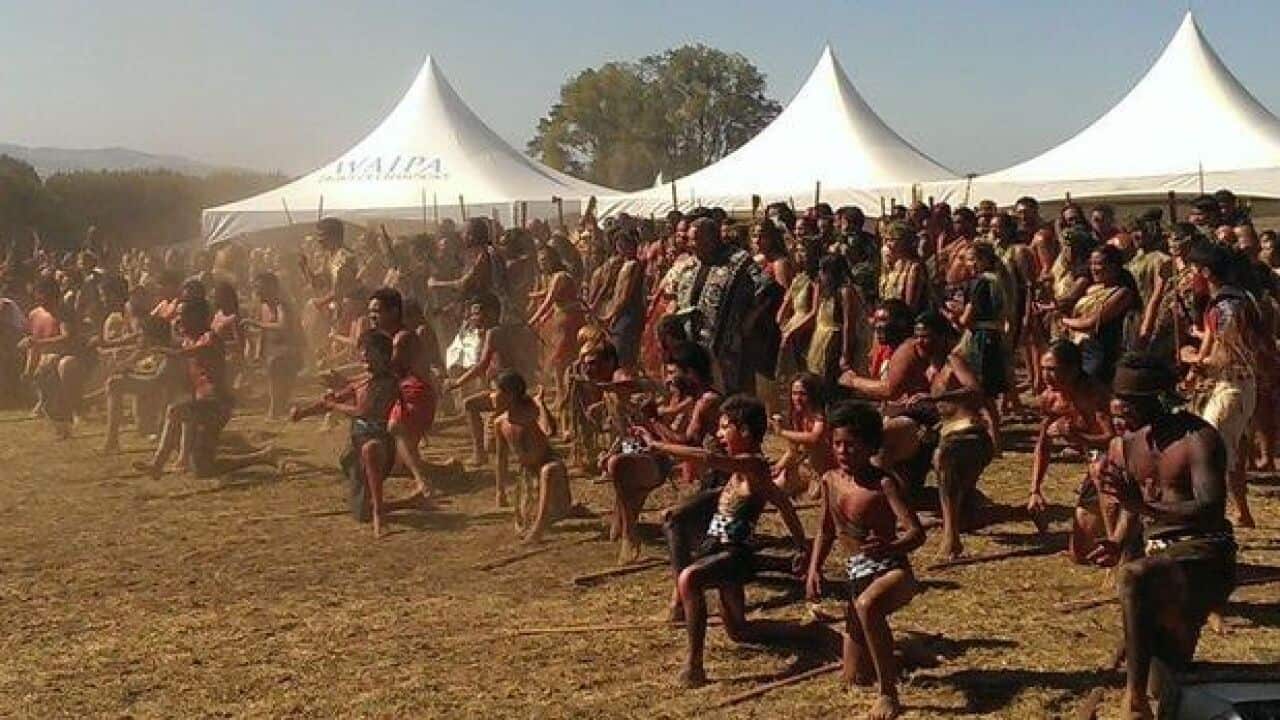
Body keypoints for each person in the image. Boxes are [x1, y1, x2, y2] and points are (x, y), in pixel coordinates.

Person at [1089, 354, 1236, 720]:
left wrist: (1144, 507)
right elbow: (1133, 503)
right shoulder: (1128, 443)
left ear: (1159, 399)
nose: (1121, 408)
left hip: (1204, 554)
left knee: (1133, 576)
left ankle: (1134, 701)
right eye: (1119, 398)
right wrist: (1118, 540)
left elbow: (1210, 510)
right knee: (1167, 681)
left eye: (1132, 402)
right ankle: (1156, 678)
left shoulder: (1198, 439)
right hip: (1160, 555)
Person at [633, 395, 809, 689]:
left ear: (746, 432)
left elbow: (709, 458)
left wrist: (658, 445)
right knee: (739, 631)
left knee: (689, 579)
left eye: (725, 427)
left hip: (734, 555)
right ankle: (807, 632)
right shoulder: (743, 469)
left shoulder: (753, 464)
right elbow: (782, 503)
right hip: (718, 550)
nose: (719, 434)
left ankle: (694, 667)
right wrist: (801, 545)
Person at [805, 401, 925, 720]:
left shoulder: (884, 484)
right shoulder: (830, 480)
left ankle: (888, 694)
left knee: (868, 606)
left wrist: (891, 547)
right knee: (854, 677)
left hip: (891, 572)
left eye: (851, 445)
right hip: (856, 575)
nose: (843, 451)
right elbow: (825, 530)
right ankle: (901, 655)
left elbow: (917, 533)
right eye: (837, 444)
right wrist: (814, 568)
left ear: (871, 447)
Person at [133, 297, 275, 480]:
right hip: (203, 405)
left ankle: (157, 464)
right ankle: (262, 456)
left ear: (197, 316)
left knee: (175, 411)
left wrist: (161, 349)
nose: (179, 320)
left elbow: (185, 353)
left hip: (217, 404)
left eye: (183, 315)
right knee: (203, 469)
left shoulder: (209, 338)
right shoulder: (187, 340)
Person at [604, 341, 720, 563]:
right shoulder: (693, 398)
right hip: (695, 476)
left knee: (673, 521)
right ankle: (630, 532)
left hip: (719, 486)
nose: (668, 379)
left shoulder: (707, 401)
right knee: (620, 464)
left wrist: (654, 421)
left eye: (673, 373)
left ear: (690, 373)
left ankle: (684, 576)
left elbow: (687, 446)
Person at [1180, 242, 1263, 528]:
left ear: (1205, 272)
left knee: (1211, 450)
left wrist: (1192, 358)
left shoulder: (1227, 307)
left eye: (1192, 270)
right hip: (1230, 386)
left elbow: (1224, 356)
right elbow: (1212, 342)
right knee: (1229, 450)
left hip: (1232, 386)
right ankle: (1242, 512)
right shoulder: (1230, 301)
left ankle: (1211, 517)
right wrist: (1195, 369)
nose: (1188, 277)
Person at [292, 330, 400, 537]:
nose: (364, 355)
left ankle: (380, 513)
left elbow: (364, 411)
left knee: (371, 449)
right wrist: (303, 413)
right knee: (360, 513)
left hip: (381, 444)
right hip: (355, 446)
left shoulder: (389, 383)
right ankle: (412, 501)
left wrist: (334, 405)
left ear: (383, 355)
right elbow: (331, 401)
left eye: (370, 351)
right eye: (363, 351)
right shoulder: (362, 382)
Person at [1027, 340, 1114, 555]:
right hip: (1094, 460)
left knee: (1099, 467)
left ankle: (1118, 543)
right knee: (1080, 552)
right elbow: (1043, 444)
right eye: (1043, 369)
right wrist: (1035, 490)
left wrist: (1075, 436)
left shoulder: (1094, 394)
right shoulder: (1050, 399)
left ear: (1073, 369)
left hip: (1115, 461)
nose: (1046, 376)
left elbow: (1112, 439)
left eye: (1053, 370)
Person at [669, 217, 765, 395]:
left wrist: (748, 321)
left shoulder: (739, 261)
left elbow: (766, 290)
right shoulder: (692, 263)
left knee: (725, 392)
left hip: (725, 345)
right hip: (694, 343)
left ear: (710, 239)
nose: (690, 244)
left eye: (694, 240)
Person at [366, 287, 439, 503]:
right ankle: (448, 469)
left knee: (395, 428)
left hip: (417, 395)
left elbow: (387, 373)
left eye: (377, 311)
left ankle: (423, 483)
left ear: (394, 311)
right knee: (398, 465)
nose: (372, 316)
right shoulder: (387, 338)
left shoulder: (402, 339)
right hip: (404, 395)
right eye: (370, 311)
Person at [493, 370, 573, 544]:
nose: (493, 396)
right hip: (528, 478)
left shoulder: (532, 412)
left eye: (496, 391)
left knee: (548, 470)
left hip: (551, 471)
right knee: (526, 519)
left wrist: (540, 403)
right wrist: (500, 491)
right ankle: (545, 515)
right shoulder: (500, 423)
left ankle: (538, 530)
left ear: (510, 395)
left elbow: (548, 431)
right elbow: (501, 458)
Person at [243, 272, 303, 420]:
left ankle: (275, 409)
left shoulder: (282, 305)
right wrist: (258, 353)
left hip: (290, 352)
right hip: (275, 352)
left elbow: (283, 326)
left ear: (272, 287)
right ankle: (277, 408)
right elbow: (264, 334)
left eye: (260, 287)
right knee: (274, 367)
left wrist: (256, 324)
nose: (257, 292)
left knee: (276, 364)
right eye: (256, 288)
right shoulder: (264, 307)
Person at [769, 372, 834, 497]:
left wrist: (782, 432)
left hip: (825, 466)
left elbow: (814, 438)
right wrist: (778, 466)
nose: (797, 398)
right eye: (794, 393)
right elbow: (792, 449)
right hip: (807, 465)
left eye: (802, 394)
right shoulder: (797, 415)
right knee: (775, 487)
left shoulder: (820, 415)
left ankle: (820, 480)